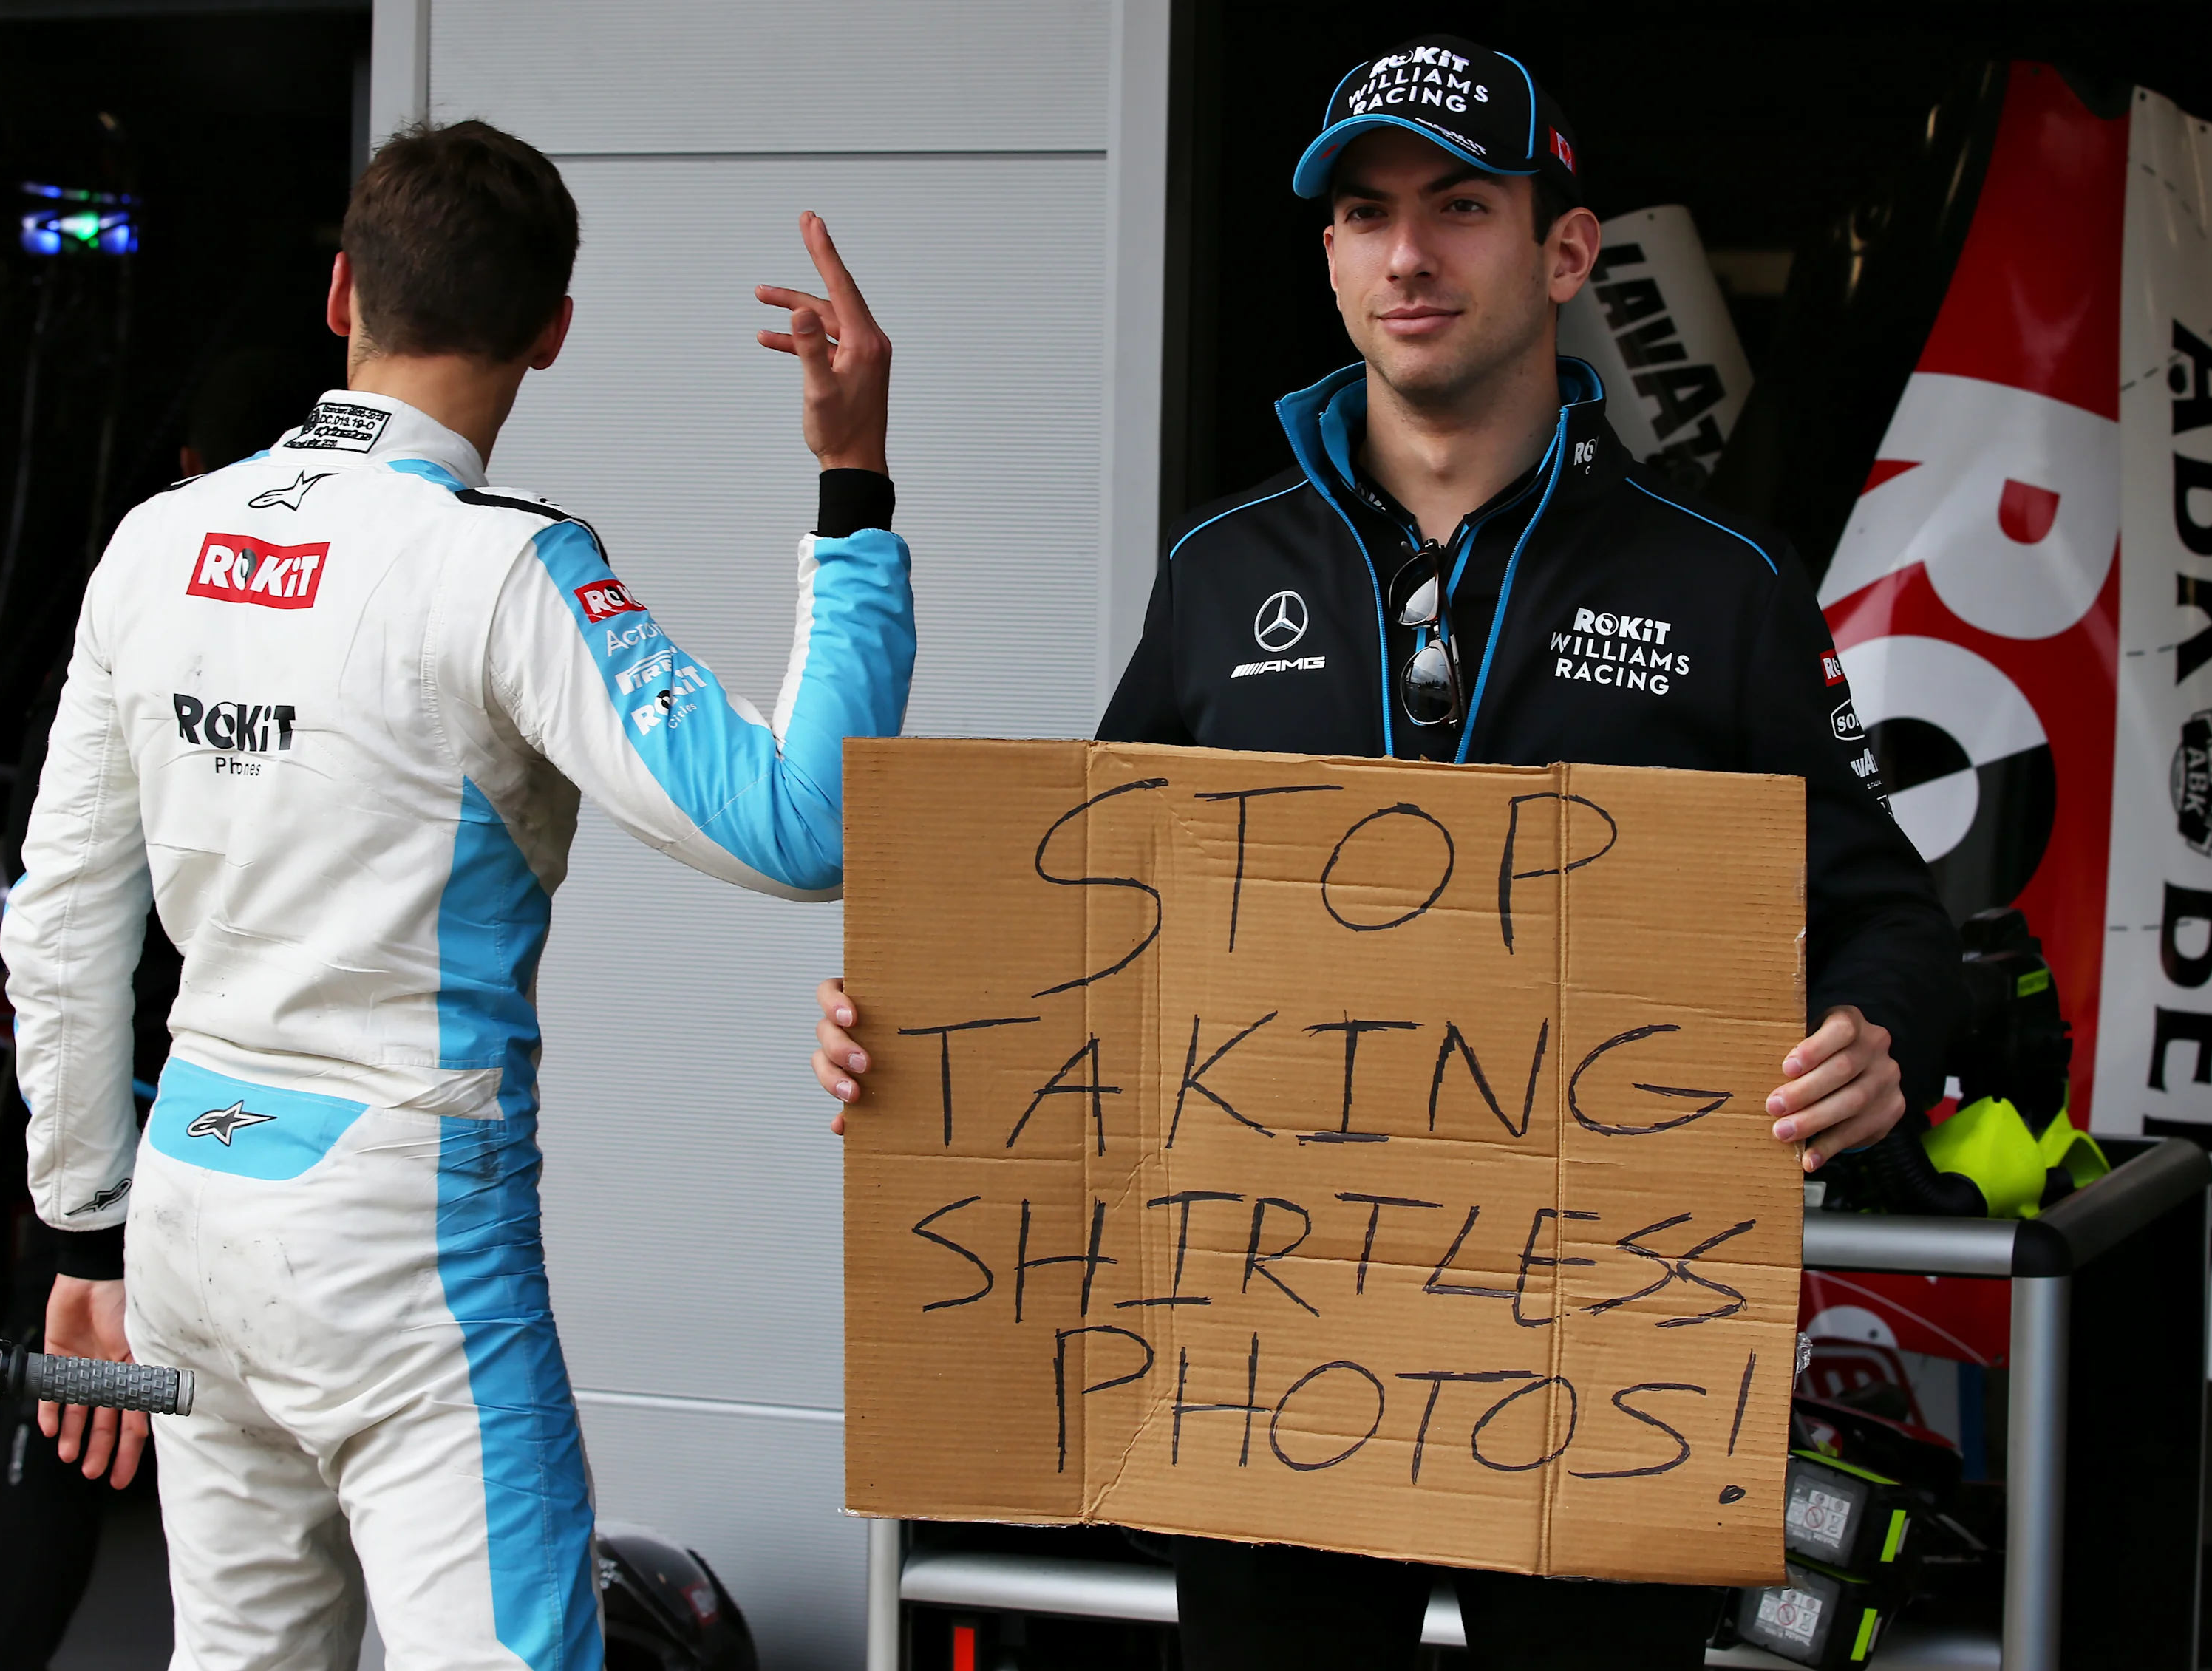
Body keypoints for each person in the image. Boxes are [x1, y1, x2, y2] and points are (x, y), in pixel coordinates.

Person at [811, 32, 1958, 1671]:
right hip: (1271, 1365)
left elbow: (1888, 921)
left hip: (1603, 1361)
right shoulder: (1216, 573)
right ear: (1332, 256)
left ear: (1565, 251)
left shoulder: (1724, 584)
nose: (1406, 253)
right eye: (1363, 213)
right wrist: (916, 1029)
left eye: (1458, 205)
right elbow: (1087, 922)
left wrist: (1879, 1036)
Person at [2, 118, 913, 1670]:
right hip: (396, 1221)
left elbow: (63, 914)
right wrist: (852, 479)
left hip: (182, 1207)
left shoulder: (153, 545)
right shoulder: (502, 565)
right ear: (553, 333)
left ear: (343, 289)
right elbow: (804, 821)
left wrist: (83, 1237)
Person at [0, 341, 324, 1671]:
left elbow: (52, 918)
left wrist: (79, 1224)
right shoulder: (375, 615)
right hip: (315, 1155)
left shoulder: (148, 586)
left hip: (154, 1152)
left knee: (101, 1447)